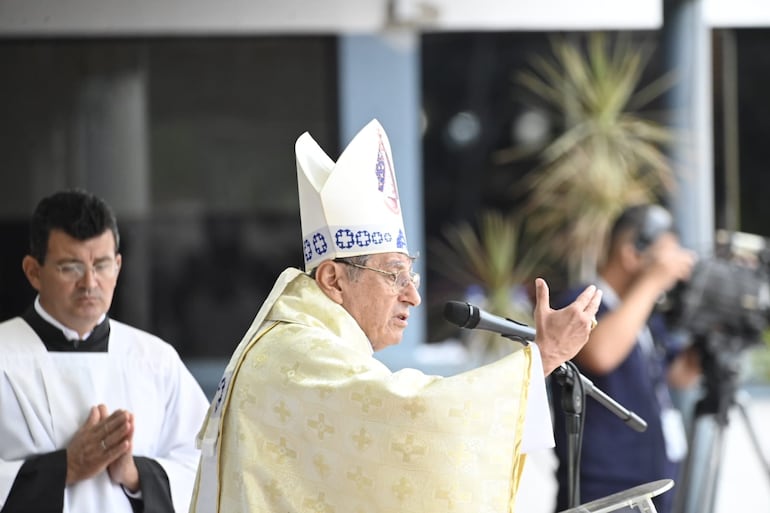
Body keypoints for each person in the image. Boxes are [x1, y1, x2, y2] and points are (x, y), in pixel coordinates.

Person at [190, 119, 602, 513]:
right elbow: (413, 417)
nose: (414, 296)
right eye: (393, 275)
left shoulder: (299, 343)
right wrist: (542, 359)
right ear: (333, 280)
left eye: (412, 274)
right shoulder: (297, 354)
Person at [0, 190, 210, 513]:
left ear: (118, 265)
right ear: (33, 272)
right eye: (70, 267)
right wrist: (64, 469)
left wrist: (137, 475)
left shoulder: (154, 360)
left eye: (101, 264)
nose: (90, 283)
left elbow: (206, 465)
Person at [550, 204, 700, 513]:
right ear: (632, 253)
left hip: (653, 485)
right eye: (667, 257)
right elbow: (601, 354)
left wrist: (713, 328)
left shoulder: (644, 317)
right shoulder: (577, 305)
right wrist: (652, 282)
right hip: (604, 494)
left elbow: (681, 375)